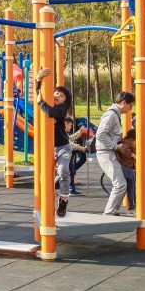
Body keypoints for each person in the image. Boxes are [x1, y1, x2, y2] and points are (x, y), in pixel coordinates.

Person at [35, 67, 73, 217]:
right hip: (47, 147)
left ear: (65, 101)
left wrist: (40, 103)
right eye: (56, 92)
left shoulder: (61, 109)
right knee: (43, 176)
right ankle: (45, 203)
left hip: (63, 146)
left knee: (63, 171)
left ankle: (63, 199)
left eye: (61, 95)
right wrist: (38, 80)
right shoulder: (48, 101)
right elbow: (39, 93)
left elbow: (51, 113)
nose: (57, 95)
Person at [96, 91, 135, 216]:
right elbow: (100, 134)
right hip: (106, 152)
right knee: (120, 184)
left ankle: (112, 211)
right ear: (123, 103)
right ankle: (108, 214)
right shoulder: (111, 115)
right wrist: (115, 146)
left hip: (109, 152)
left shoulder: (115, 114)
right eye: (130, 105)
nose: (131, 108)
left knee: (122, 183)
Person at [115, 128, 136, 213]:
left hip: (124, 166)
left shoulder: (124, 141)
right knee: (131, 187)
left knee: (129, 187)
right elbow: (124, 150)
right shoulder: (128, 143)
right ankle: (132, 206)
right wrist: (133, 155)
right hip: (127, 167)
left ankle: (132, 204)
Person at [64, 116, 87, 195]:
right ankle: (68, 189)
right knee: (68, 171)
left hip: (66, 154)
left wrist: (79, 132)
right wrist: (81, 148)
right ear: (65, 124)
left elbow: (70, 138)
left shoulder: (64, 133)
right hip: (62, 154)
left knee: (71, 170)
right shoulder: (61, 133)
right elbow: (70, 144)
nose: (71, 127)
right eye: (70, 125)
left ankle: (71, 189)